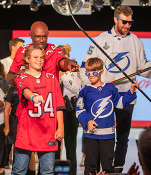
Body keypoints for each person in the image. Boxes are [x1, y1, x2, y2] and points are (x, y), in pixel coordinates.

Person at [80, 5, 151, 172]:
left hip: (127, 94)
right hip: (103, 94)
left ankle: (117, 169)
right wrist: (90, 90)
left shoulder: (136, 41)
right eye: (124, 22)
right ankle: (96, 168)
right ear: (115, 19)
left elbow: (143, 67)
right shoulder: (100, 40)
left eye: (130, 22)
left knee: (122, 136)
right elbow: (86, 66)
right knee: (98, 133)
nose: (127, 26)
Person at [76, 57, 137, 174]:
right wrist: (87, 122)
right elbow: (79, 110)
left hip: (108, 136)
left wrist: (131, 92)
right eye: (87, 73)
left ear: (101, 72)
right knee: (90, 167)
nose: (90, 76)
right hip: (91, 136)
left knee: (108, 168)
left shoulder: (110, 88)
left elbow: (120, 103)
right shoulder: (84, 91)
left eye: (94, 72)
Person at [11, 45, 65, 175]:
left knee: (47, 172)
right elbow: (25, 91)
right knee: (19, 171)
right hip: (27, 131)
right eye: (35, 57)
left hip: (48, 131)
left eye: (41, 57)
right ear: (27, 59)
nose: (39, 60)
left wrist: (61, 126)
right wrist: (33, 96)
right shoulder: (21, 78)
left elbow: (58, 104)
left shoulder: (52, 79)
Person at [6, 21, 79, 84]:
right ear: (30, 35)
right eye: (37, 37)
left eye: (44, 37)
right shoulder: (22, 51)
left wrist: (68, 63)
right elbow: (10, 75)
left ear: (48, 34)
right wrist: (17, 77)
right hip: (28, 97)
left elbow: (62, 61)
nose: (41, 40)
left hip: (49, 96)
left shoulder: (55, 50)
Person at [55, 44, 81, 175]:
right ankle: (56, 172)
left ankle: (71, 173)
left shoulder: (74, 68)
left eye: (64, 59)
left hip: (70, 110)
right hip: (56, 110)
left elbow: (76, 88)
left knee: (71, 145)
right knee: (55, 146)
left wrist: (63, 76)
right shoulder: (51, 70)